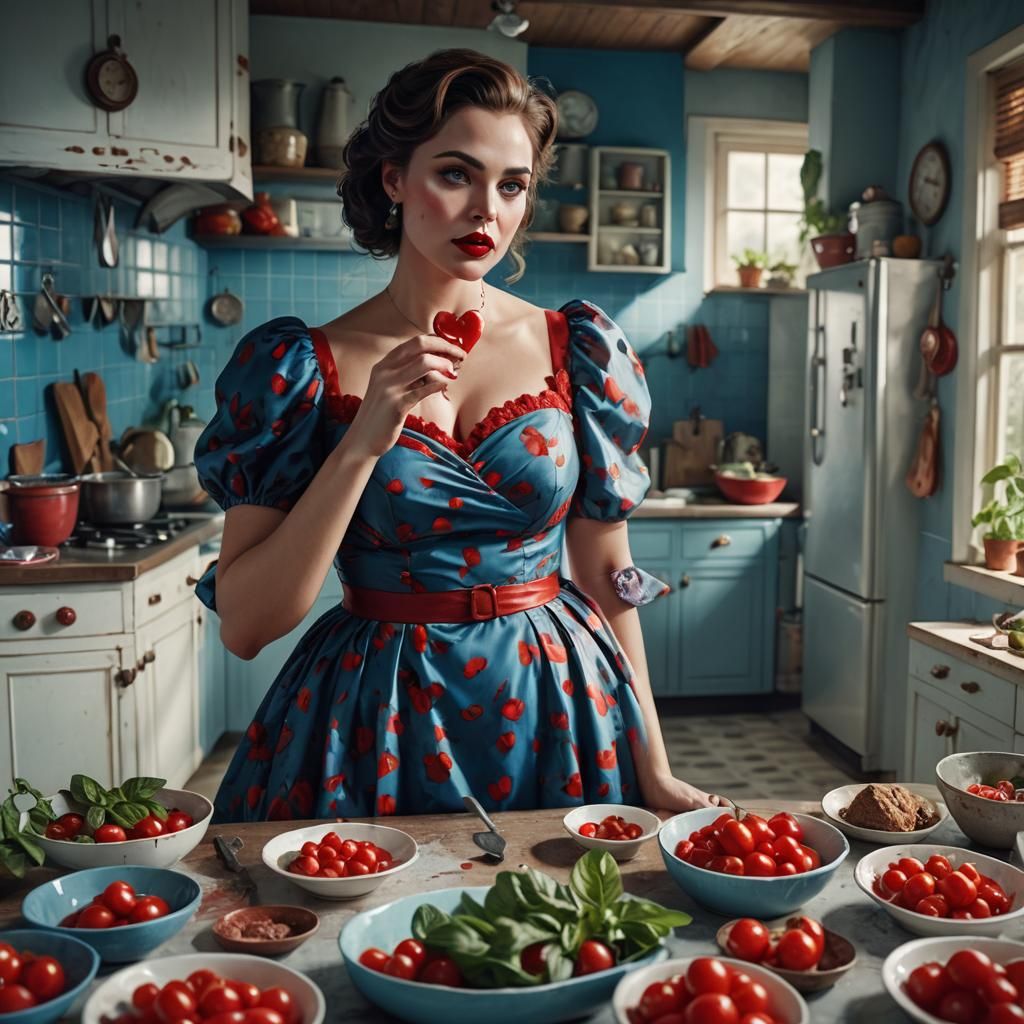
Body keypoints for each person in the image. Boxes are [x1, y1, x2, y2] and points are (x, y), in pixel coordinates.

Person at [194, 48, 724, 822]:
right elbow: (246, 626)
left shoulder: (576, 347)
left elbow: (609, 572)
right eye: (455, 174)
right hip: (380, 714)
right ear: (393, 180)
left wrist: (656, 765)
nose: (487, 210)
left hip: (557, 700)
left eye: (511, 185)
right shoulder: (301, 366)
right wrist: (362, 442)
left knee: (565, 928)